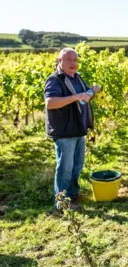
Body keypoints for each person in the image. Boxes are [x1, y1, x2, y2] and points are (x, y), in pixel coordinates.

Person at [44, 48, 101, 210]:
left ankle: (73, 194)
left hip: (78, 129)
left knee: (77, 165)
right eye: (68, 59)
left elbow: (84, 98)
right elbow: (51, 102)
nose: (73, 63)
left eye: (75, 60)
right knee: (65, 168)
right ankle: (62, 203)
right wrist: (76, 96)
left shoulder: (77, 78)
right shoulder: (55, 80)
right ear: (59, 60)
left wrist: (92, 92)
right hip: (64, 131)